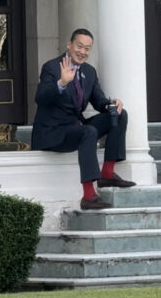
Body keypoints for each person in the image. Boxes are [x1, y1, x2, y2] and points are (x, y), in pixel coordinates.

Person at [31, 28, 135, 210]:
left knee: (119, 114)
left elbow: (98, 101)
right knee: (89, 131)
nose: (83, 52)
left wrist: (111, 104)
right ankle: (88, 196)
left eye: (87, 49)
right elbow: (40, 98)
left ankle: (107, 174)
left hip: (75, 126)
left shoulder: (89, 72)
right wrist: (61, 83)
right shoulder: (52, 67)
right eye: (79, 46)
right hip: (53, 131)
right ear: (69, 45)